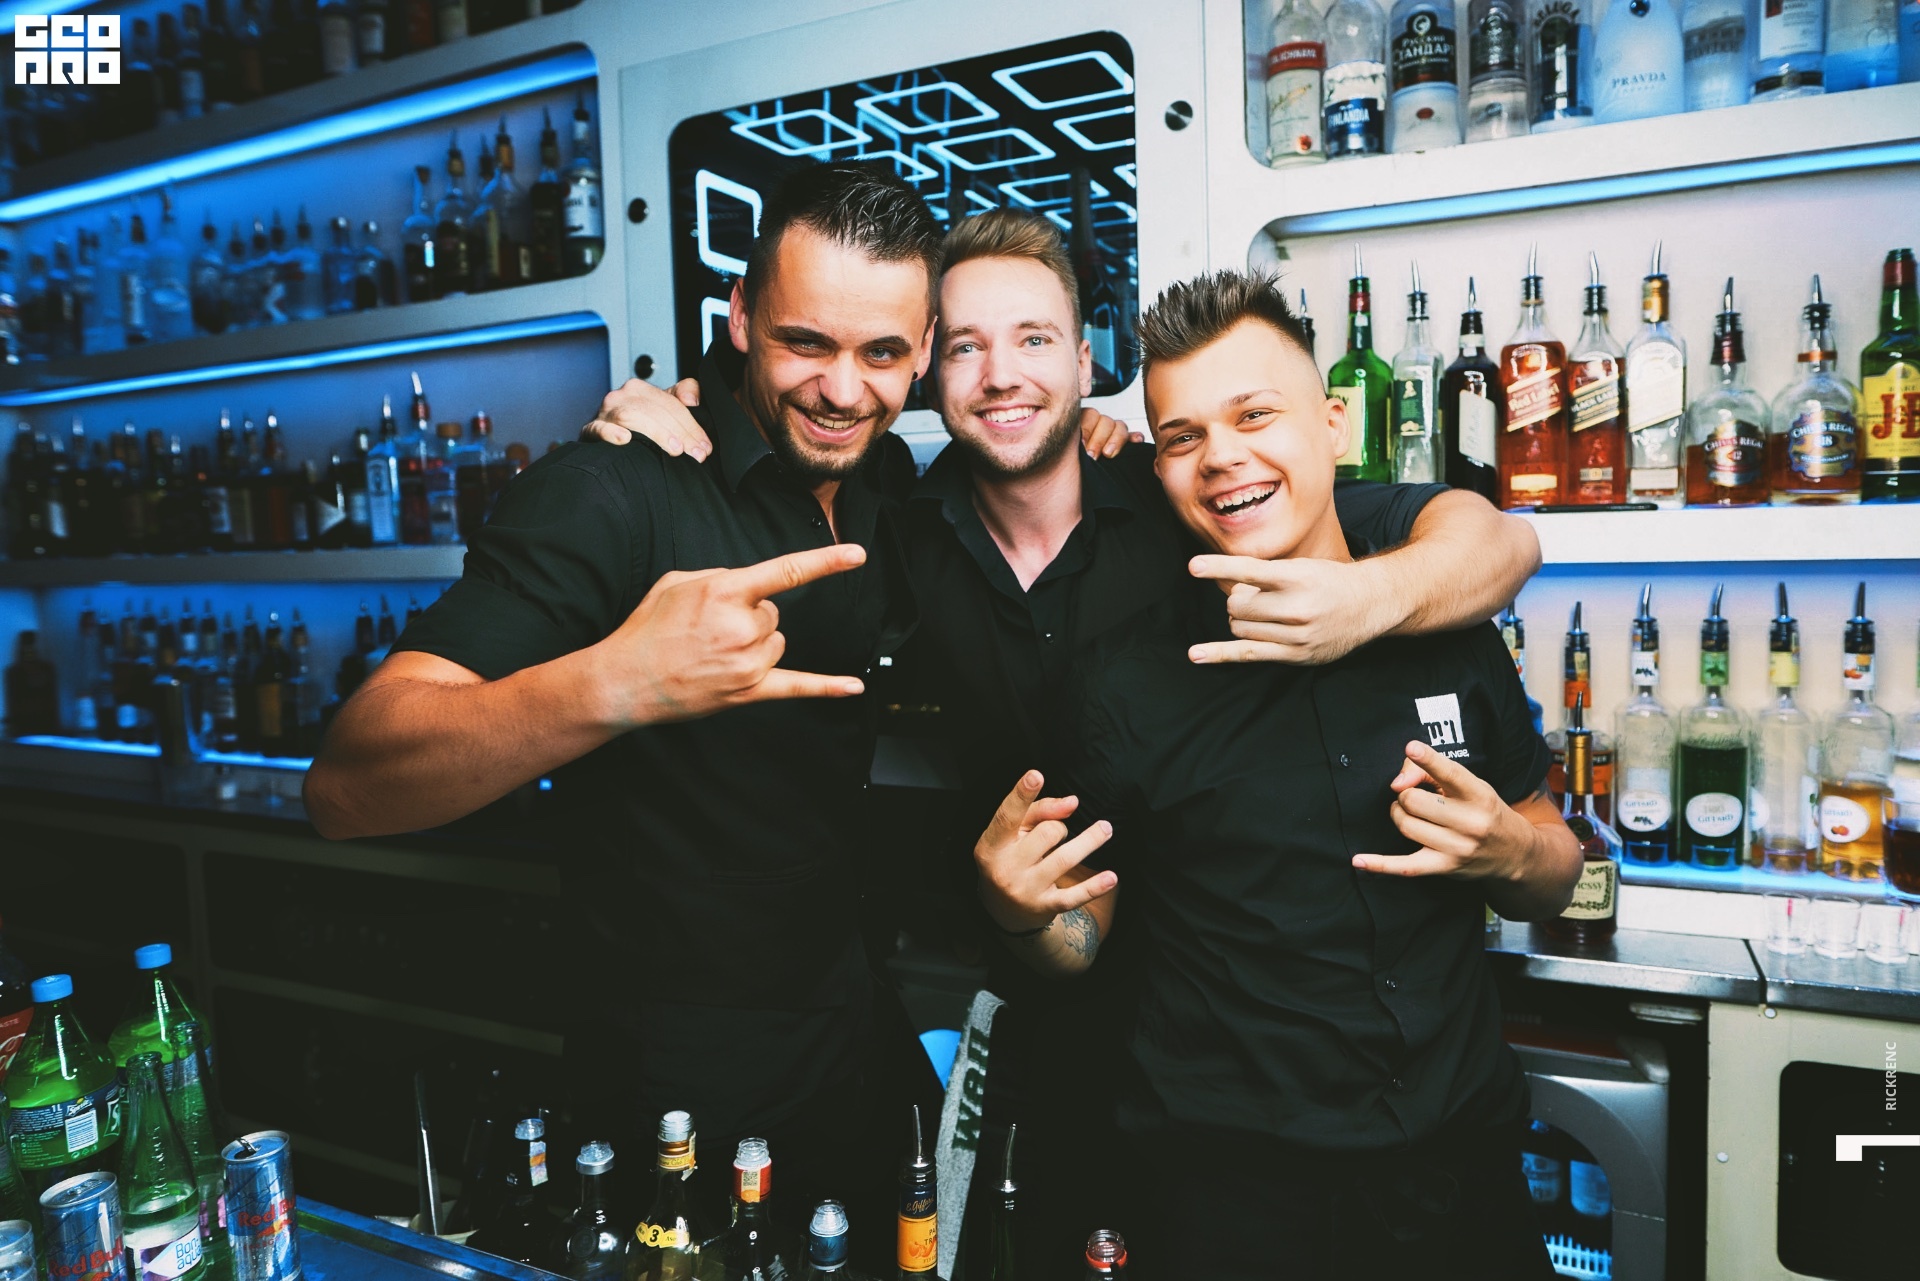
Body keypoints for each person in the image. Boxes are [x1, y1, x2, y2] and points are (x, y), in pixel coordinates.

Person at [582, 210, 1543, 1274]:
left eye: (1035, 338)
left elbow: (1496, 538)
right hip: (1069, 1010)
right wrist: (684, 407)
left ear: (1088, 366)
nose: (1002, 374)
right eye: (965, 346)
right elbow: (788, 433)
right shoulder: (894, 523)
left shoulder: (1191, 494)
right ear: (927, 372)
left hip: (1254, 1035)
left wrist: (1365, 602)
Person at [302, 164, 947, 1263]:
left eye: (881, 353)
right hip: (679, 1092)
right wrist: (614, 682)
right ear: (739, 318)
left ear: (923, 349)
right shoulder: (614, 488)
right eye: (804, 342)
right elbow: (349, 782)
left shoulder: (891, 487)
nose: (844, 390)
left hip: (855, 1038)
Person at [970, 269, 1578, 1281]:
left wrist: (1512, 850)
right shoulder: (1123, 681)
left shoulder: (1446, 625)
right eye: (1183, 436)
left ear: (1333, 424)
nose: (1223, 457)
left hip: (1465, 1173)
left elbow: (1556, 870)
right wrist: (1018, 912)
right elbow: (1080, 937)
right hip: (1232, 1204)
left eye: (1255, 415)